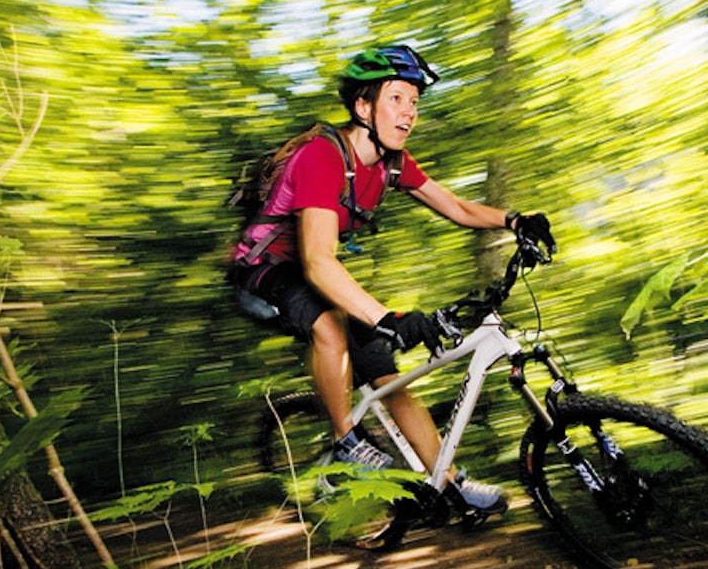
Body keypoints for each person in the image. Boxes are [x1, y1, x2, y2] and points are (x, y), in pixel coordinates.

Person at [231, 44, 555, 514]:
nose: (409, 113)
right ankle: (346, 442)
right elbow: (319, 262)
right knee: (328, 326)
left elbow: (459, 208)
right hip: (263, 270)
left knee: (389, 378)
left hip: (308, 269)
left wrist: (514, 220)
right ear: (363, 107)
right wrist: (387, 317)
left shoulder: (392, 163)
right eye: (397, 98)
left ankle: (447, 481)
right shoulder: (322, 157)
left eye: (415, 103)